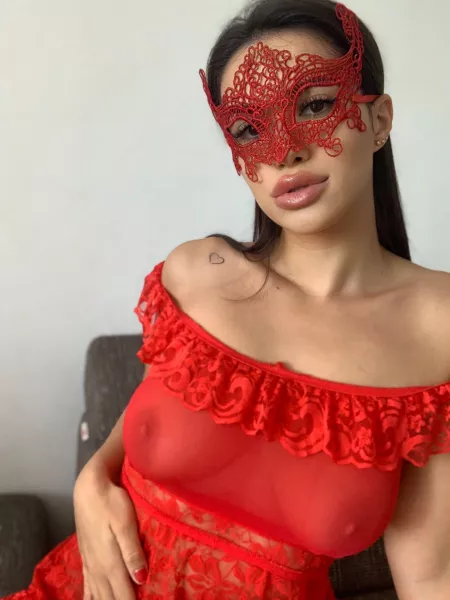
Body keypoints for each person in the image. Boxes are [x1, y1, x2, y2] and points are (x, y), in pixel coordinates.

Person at [5, 0, 450, 599]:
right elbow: (146, 423)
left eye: (314, 105)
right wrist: (92, 479)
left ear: (378, 119)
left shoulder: (437, 326)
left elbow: (432, 576)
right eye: (248, 129)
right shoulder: (198, 275)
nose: (284, 151)